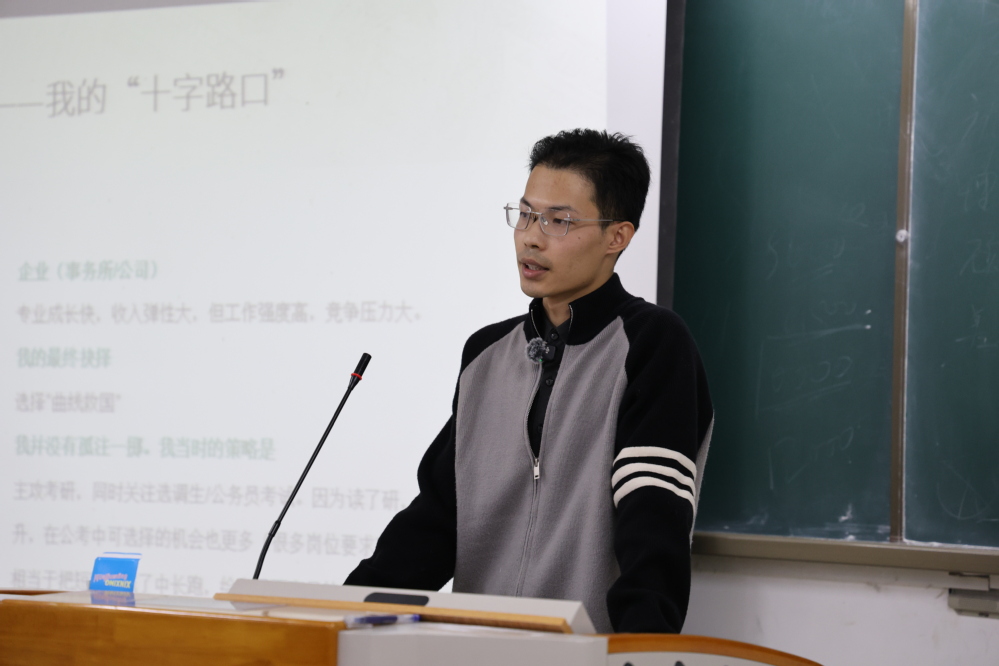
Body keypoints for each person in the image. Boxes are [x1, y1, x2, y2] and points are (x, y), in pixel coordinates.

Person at [345, 129, 714, 634]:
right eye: (524, 214)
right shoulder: (486, 354)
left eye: (559, 221)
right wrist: (338, 616)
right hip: (477, 647)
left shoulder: (652, 344)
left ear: (617, 237)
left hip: (588, 652)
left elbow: (653, 522)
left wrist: (639, 651)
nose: (531, 237)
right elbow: (435, 521)